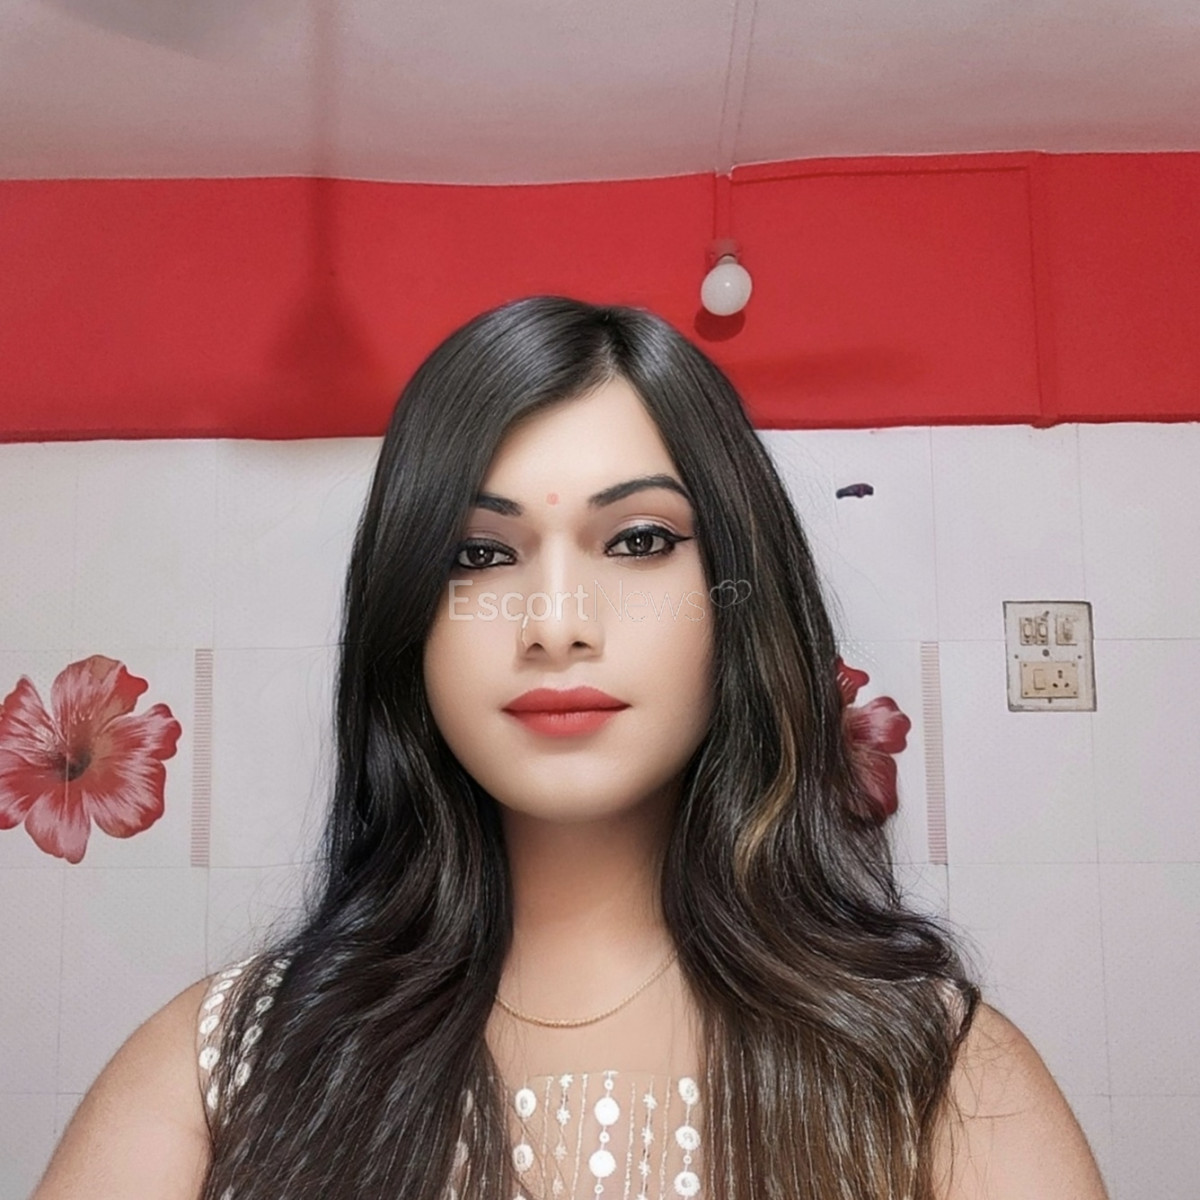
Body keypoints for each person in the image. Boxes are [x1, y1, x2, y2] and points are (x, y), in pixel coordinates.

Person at [31, 296, 1109, 1200]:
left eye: (639, 540)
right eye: (478, 554)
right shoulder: (222, 1069)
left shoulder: (934, 1075)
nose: (554, 624)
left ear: (737, 599)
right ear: (408, 622)